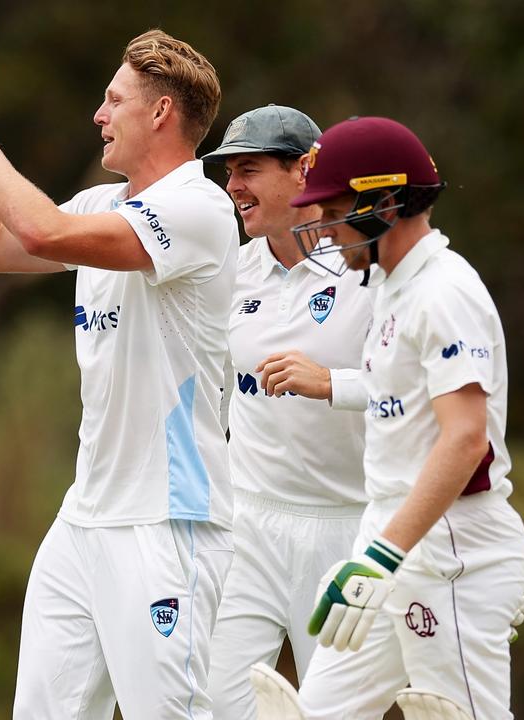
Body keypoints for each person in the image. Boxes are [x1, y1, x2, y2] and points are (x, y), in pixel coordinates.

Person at [0, 18, 237, 718]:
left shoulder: (199, 207)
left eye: (114, 100)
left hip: (166, 523)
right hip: (85, 519)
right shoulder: (105, 202)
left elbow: (43, 229)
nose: (98, 115)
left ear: (161, 112)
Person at [259, 116, 524, 720]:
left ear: (385, 203)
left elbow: (465, 441)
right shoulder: (392, 288)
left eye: (332, 213)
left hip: (447, 550)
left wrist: (416, 557)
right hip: (389, 541)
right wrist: (378, 553)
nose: (324, 233)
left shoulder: (444, 293)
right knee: (316, 712)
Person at [200, 105, 375, 720]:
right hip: (248, 521)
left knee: (337, 711)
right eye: (229, 173)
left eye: (249, 169)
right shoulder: (231, 270)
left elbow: (424, 394)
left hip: (344, 526)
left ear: (305, 170)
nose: (233, 187)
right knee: (216, 704)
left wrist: (333, 383)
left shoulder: (365, 265)